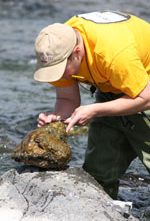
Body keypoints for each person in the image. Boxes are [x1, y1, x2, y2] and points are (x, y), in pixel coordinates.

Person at [34, 11, 150, 199]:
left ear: (77, 53)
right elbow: (68, 100)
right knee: (97, 175)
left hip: (145, 87)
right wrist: (56, 117)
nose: (58, 77)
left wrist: (95, 110)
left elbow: (146, 97)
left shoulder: (113, 53)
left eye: (60, 70)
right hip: (114, 85)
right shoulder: (58, 45)